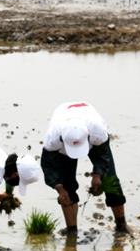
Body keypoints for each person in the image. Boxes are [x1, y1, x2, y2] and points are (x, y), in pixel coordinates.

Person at [40, 101, 129, 236]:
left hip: (89, 121)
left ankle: (121, 226)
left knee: (110, 179)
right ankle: (72, 232)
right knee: (66, 187)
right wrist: (59, 188)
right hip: (63, 126)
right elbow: (48, 166)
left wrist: (97, 175)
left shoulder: (97, 131)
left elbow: (103, 157)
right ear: (63, 140)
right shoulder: (53, 139)